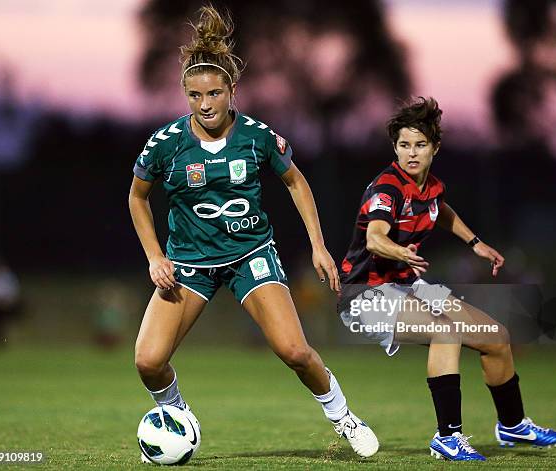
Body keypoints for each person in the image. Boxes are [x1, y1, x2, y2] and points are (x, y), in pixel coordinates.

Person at [128, 5, 378, 461]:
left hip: (250, 255)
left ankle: (344, 417)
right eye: (194, 94)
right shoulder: (165, 144)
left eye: (214, 93)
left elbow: (297, 182)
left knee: (295, 351)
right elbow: (137, 197)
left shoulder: (259, 137)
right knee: (147, 360)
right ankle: (177, 415)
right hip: (187, 264)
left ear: (231, 90)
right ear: (184, 94)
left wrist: (317, 246)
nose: (205, 104)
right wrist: (154, 256)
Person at [339, 97, 556, 461]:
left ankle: (513, 424)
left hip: (406, 286)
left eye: (420, 145)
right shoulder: (388, 188)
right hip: (365, 295)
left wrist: (474, 242)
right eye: (403, 145)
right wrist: (399, 252)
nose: (411, 153)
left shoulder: (432, 187)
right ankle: (447, 438)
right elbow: (374, 236)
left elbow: (439, 210)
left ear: (435, 147)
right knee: (446, 331)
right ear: (394, 148)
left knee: (497, 338)